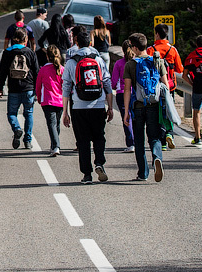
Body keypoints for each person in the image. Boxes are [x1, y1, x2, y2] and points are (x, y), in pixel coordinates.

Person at [62, 26, 114, 183]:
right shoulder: (98, 60)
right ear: (90, 43)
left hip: (78, 107)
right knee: (99, 137)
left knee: (83, 141)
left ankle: (87, 174)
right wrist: (110, 107)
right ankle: (99, 163)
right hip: (98, 105)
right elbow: (107, 83)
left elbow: (66, 87)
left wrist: (65, 112)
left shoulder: (71, 62)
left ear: (77, 43)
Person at [124, 32, 165, 182]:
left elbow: (127, 89)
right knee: (154, 137)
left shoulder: (130, 64)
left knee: (139, 140)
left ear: (134, 47)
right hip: (154, 105)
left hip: (138, 107)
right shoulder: (157, 61)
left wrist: (126, 112)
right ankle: (156, 157)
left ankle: (143, 173)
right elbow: (165, 85)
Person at [0, 28, 40, 150]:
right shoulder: (30, 52)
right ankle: (28, 141)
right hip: (29, 88)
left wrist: (0, 87)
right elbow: (37, 72)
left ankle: (16, 129)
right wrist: (37, 89)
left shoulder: (7, 52)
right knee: (29, 114)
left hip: (13, 89)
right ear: (25, 39)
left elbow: (2, 72)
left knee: (11, 113)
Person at [147, 24, 184, 150]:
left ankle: (162, 141)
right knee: (169, 110)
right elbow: (180, 69)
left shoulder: (151, 49)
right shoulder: (172, 50)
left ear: (157, 34)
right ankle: (170, 134)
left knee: (158, 113)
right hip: (170, 86)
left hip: (155, 86)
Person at [35, 45, 65, 156]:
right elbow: (65, 86)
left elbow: (38, 86)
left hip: (47, 100)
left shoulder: (43, 70)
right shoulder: (62, 69)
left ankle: (55, 146)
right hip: (60, 101)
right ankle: (54, 145)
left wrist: (38, 97)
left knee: (51, 124)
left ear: (47, 56)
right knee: (56, 124)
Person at [112, 40, 134, 152]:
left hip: (121, 93)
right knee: (136, 118)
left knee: (126, 118)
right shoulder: (137, 62)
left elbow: (113, 82)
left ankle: (131, 143)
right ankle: (138, 141)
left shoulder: (119, 63)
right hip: (135, 94)